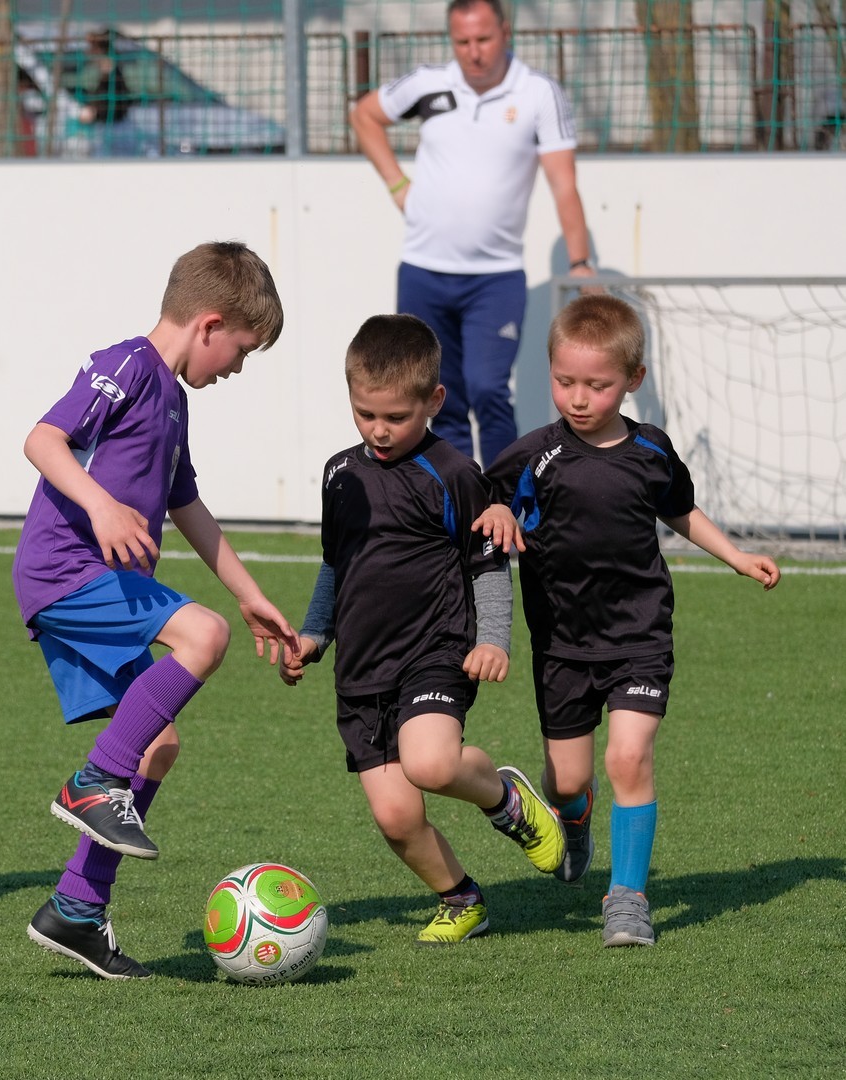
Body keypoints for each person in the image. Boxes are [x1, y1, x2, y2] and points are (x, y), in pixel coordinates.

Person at [13, 240, 299, 979]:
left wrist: (250, 595)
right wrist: (102, 506)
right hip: (64, 572)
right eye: (241, 350)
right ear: (209, 325)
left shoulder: (172, 398)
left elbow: (186, 505)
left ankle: (76, 909)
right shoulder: (128, 365)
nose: (237, 368)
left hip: (89, 581)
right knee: (202, 636)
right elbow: (43, 439)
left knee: (158, 746)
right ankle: (92, 782)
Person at [476, 293, 781, 947]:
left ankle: (628, 899)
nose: (579, 398)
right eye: (564, 382)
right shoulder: (534, 455)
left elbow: (679, 509)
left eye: (597, 385)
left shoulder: (651, 450)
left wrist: (735, 555)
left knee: (629, 756)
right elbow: (484, 500)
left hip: (640, 634)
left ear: (633, 379)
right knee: (568, 781)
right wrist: (498, 511)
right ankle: (574, 819)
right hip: (562, 643)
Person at [278, 313, 566, 945]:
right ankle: (461, 899)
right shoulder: (338, 474)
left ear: (434, 401)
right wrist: (314, 635)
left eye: (395, 417)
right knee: (396, 817)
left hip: (436, 651)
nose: (378, 430)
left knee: (431, 764)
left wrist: (492, 639)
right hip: (362, 669)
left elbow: (488, 561)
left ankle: (506, 800)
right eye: (365, 414)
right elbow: (335, 565)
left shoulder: (453, 473)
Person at [350, 0, 596, 466]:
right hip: (423, 271)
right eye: (462, 41)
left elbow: (564, 183)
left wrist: (580, 262)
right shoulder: (429, 83)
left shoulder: (538, 93)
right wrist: (398, 185)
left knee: (488, 389)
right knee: (438, 396)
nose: (473, 51)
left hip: (495, 278)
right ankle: (455, 500)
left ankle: (503, 499)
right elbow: (364, 115)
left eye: (483, 39)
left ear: (505, 31)